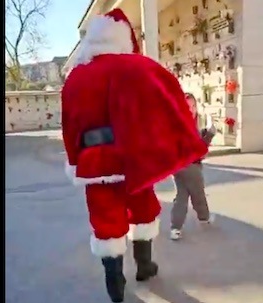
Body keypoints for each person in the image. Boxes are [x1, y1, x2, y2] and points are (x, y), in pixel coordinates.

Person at [61, 9, 208, 303]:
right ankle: (144, 265)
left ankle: (114, 283)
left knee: (105, 219)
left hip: (95, 161)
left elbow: (69, 125)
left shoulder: (77, 75)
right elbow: (169, 95)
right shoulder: (136, 67)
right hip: (133, 157)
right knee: (142, 209)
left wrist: (75, 160)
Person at [170, 93, 217, 240]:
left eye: (193, 106)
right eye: (187, 106)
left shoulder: (181, 122)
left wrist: (203, 133)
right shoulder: (183, 125)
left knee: (182, 196)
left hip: (178, 165)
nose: (191, 110)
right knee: (198, 193)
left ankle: (175, 228)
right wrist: (209, 135)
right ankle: (204, 217)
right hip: (190, 165)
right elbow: (198, 149)